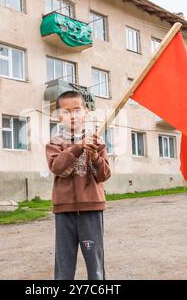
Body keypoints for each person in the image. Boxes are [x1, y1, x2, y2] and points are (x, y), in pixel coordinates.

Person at [45, 90, 111, 280]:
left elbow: (104, 175)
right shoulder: (54, 143)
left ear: (86, 113)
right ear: (59, 117)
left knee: (95, 264)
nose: (72, 116)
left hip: (91, 207)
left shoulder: (97, 141)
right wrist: (78, 147)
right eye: (65, 112)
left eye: (76, 110)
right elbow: (57, 167)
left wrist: (95, 156)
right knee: (64, 264)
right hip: (64, 210)